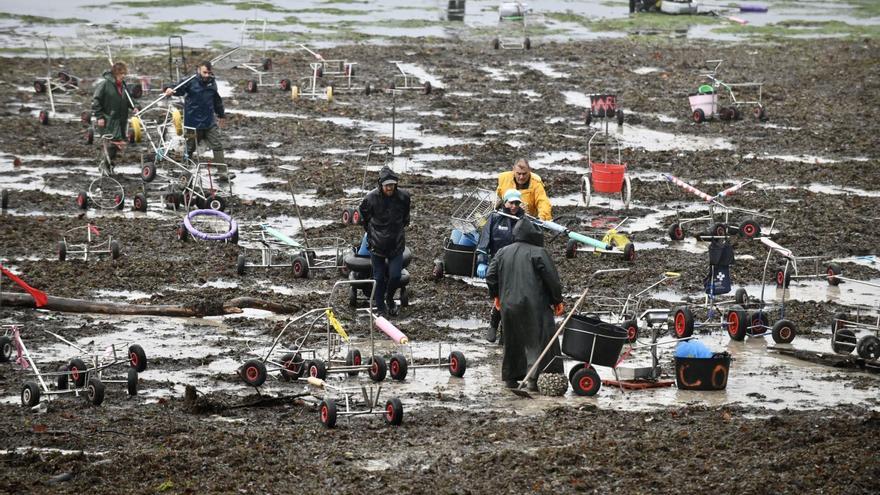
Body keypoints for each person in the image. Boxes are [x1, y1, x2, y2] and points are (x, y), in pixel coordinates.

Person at [486, 218, 565, 391]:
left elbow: (491, 275)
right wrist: (557, 300)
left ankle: (511, 378)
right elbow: (551, 279)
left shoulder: (502, 252)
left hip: (509, 304)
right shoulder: (539, 252)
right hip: (535, 304)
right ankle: (534, 380)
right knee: (540, 340)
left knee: (512, 340)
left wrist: (496, 296)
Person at [359, 166, 411, 317]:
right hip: (377, 245)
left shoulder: (404, 197)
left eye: (392, 185)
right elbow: (364, 217)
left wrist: (398, 229)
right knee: (379, 278)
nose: (389, 188)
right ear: (381, 185)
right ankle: (380, 308)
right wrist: (372, 233)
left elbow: (406, 218)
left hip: (396, 244)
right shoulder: (370, 199)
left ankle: (390, 299)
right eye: (387, 185)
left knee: (395, 276)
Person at [475, 188, 525, 343]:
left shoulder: (524, 220)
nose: (514, 206)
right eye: (511, 202)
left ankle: (504, 333)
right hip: (497, 263)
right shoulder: (495, 218)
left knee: (510, 300)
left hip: (517, 265)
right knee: (501, 297)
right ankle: (494, 324)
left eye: (517, 203)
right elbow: (484, 241)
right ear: (505, 202)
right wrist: (482, 262)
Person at [164, 60, 226, 165]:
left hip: (209, 122)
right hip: (192, 123)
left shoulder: (212, 83)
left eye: (209, 73)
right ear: (198, 70)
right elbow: (178, 88)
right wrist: (169, 89)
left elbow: (216, 100)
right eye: (204, 72)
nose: (207, 75)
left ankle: (223, 173)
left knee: (217, 145)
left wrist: (221, 114)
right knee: (189, 148)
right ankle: (185, 171)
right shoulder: (190, 81)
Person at [92, 61, 135, 175]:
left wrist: (135, 106)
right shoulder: (105, 84)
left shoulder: (123, 86)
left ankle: (109, 166)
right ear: (115, 73)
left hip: (121, 120)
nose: (124, 76)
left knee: (117, 144)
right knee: (111, 143)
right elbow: (96, 100)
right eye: (121, 74)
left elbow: (129, 99)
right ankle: (104, 166)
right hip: (108, 119)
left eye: (124, 73)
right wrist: (99, 116)